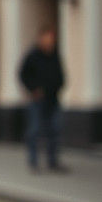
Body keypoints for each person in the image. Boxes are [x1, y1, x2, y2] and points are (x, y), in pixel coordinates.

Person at [18, 25, 67, 173]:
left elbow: (61, 75)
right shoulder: (32, 55)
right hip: (37, 100)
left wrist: (59, 86)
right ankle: (33, 162)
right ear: (40, 38)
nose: (49, 41)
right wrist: (33, 89)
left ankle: (53, 161)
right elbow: (23, 75)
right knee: (34, 131)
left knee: (55, 130)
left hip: (53, 98)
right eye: (47, 38)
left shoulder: (55, 55)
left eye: (51, 39)